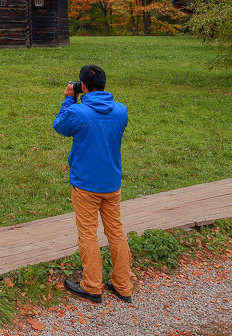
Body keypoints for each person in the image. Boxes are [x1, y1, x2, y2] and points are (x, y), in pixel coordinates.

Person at [52, 64, 133, 304]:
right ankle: (122, 285)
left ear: (83, 86)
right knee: (116, 232)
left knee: (88, 234)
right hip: (111, 182)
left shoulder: (78, 112)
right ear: (105, 85)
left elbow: (60, 126)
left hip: (86, 183)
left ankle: (92, 286)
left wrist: (69, 99)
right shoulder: (121, 111)